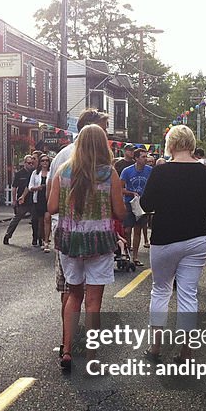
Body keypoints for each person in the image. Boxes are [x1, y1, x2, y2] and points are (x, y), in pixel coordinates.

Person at [47, 124, 126, 371]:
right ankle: (92, 354)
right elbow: (121, 213)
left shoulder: (64, 171)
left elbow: (50, 208)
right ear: (104, 145)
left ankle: (67, 349)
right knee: (94, 302)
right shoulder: (109, 174)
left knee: (74, 295)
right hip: (99, 242)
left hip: (70, 241)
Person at [139, 125, 206, 362]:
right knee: (188, 293)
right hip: (197, 237)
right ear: (192, 144)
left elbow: (145, 204)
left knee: (161, 290)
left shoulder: (160, 172)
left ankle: (155, 348)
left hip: (165, 238)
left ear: (170, 145)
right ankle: (186, 352)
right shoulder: (205, 173)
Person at [120, 149, 153, 265]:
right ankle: (128, 251)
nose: (146, 159)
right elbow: (121, 188)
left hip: (142, 204)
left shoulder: (150, 171)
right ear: (136, 158)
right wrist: (131, 193)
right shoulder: (127, 171)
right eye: (143, 157)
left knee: (138, 229)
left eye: (146, 156)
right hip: (129, 203)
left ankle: (135, 257)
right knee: (127, 229)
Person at [3, 154, 36, 245]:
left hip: (32, 199)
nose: (30, 165)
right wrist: (14, 200)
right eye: (29, 163)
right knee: (16, 219)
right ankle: (7, 235)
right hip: (22, 200)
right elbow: (14, 187)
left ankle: (35, 238)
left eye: (32, 163)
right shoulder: (19, 174)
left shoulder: (34, 173)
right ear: (24, 163)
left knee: (35, 220)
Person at [28, 154, 52, 252]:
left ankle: (46, 242)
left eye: (46, 160)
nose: (45, 162)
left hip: (48, 198)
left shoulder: (52, 172)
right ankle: (42, 239)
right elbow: (30, 187)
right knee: (41, 222)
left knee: (47, 219)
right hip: (38, 199)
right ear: (40, 163)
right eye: (42, 161)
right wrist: (38, 188)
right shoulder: (35, 173)